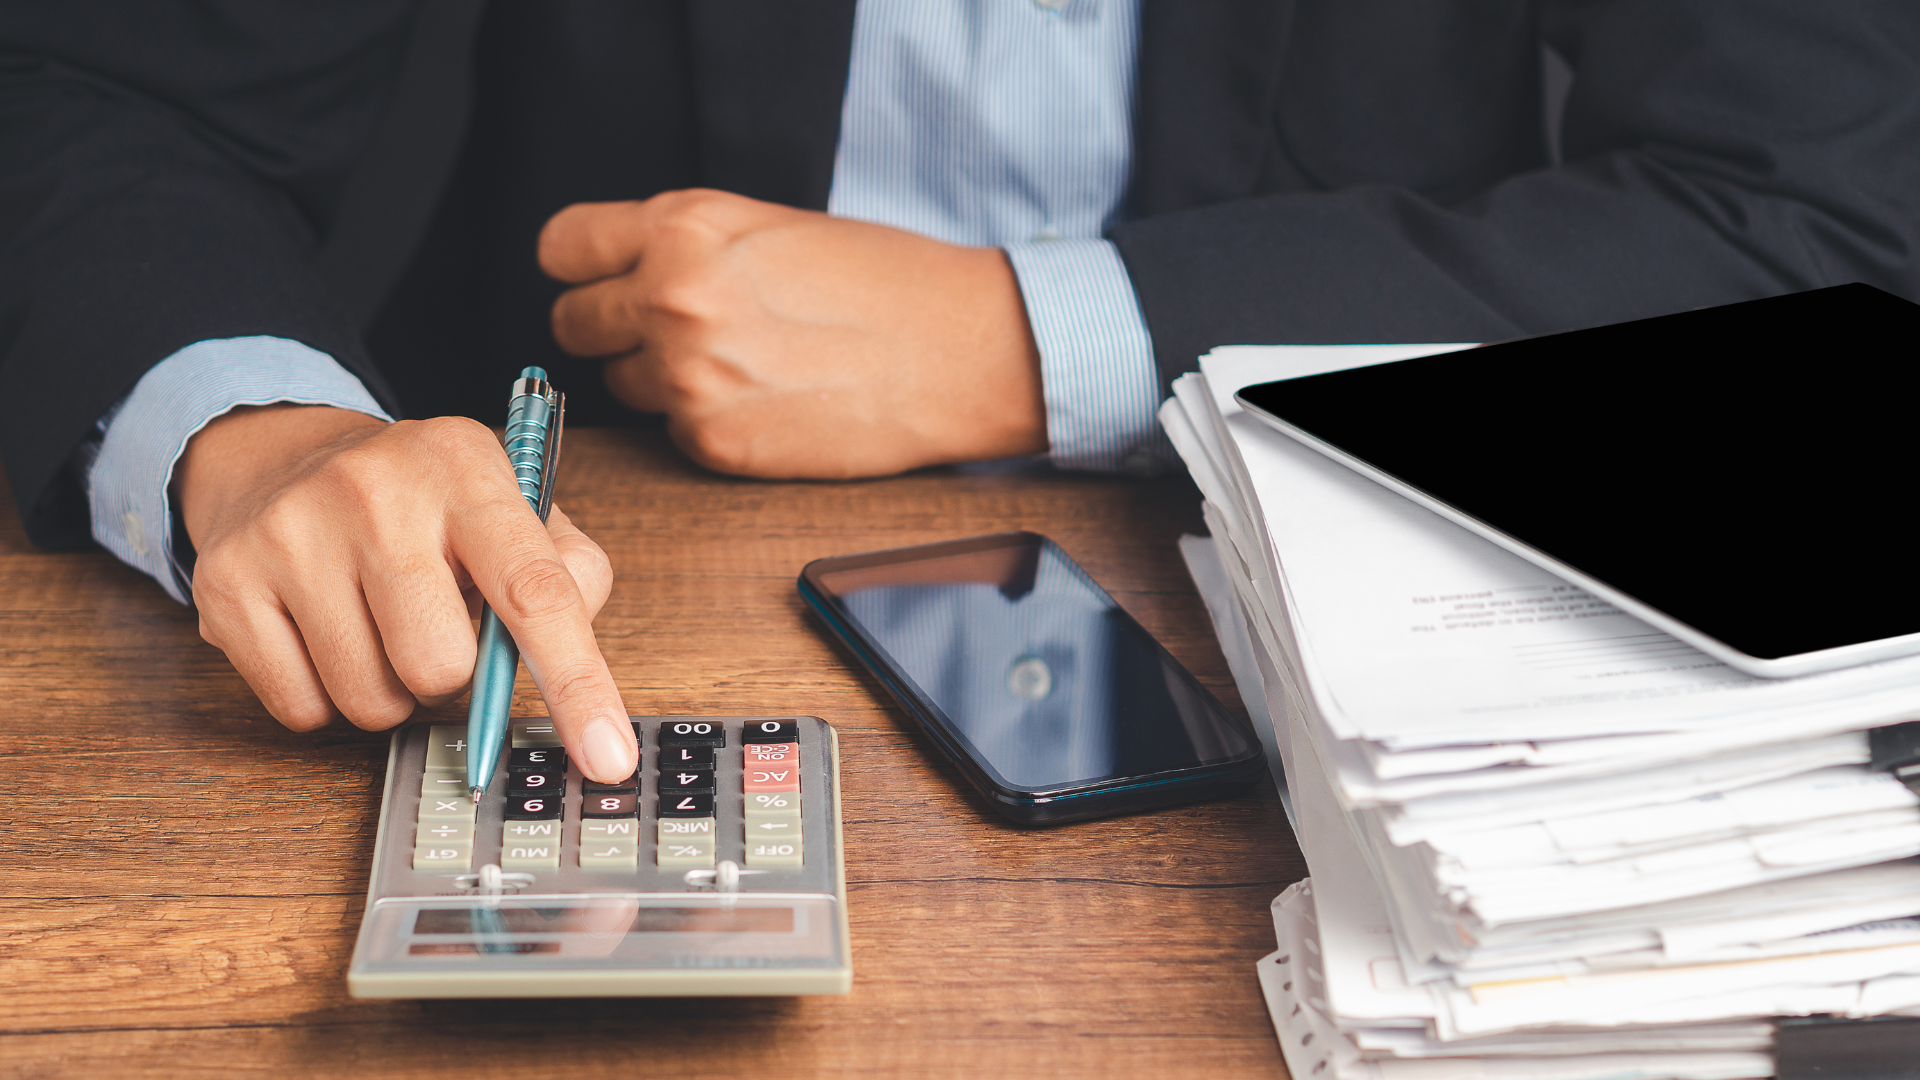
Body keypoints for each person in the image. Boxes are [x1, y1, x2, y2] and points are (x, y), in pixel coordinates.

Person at [2, 2, 1914, 783]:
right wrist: (248, 428)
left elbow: (1832, 206)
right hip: (540, 556)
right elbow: (101, 88)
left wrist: (1036, 330)